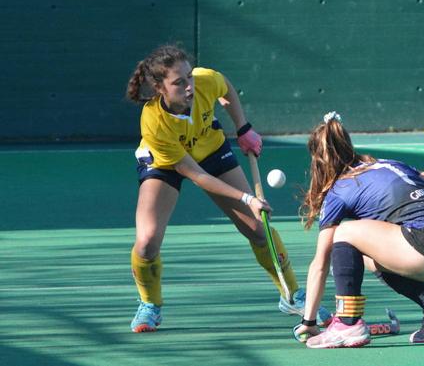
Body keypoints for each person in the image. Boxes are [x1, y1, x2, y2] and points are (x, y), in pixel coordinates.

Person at [125, 45, 329, 333]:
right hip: (167, 163)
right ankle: (150, 304)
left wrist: (243, 128)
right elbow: (195, 174)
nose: (189, 86)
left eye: (189, 77)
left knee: (258, 228)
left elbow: (226, 90)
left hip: (210, 147)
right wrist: (247, 197)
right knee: (146, 241)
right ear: (159, 87)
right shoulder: (153, 122)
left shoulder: (205, 81)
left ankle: (293, 294)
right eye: (179, 82)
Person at [294, 112, 424, 348]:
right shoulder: (392, 165)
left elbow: (320, 263)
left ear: (318, 161)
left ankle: (348, 324)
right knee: (370, 258)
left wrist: (308, 321)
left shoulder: (338, 190)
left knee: (344, 233)